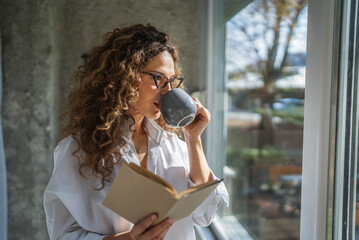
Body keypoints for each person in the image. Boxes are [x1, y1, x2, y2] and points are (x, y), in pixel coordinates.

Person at [43, 23, 228, 240]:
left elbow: (205, 214)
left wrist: (193, 138)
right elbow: (63, 235)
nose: (168, 91)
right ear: (124, 76)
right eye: (158, 78)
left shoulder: (174, 146)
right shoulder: (78, 151)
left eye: (171, 81)